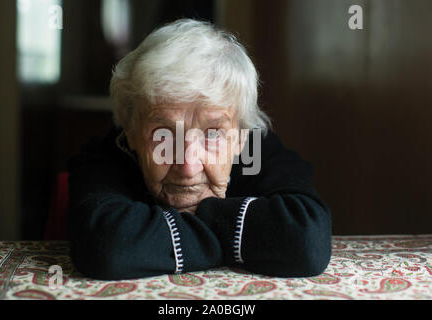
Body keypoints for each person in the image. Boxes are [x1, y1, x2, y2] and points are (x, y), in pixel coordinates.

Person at [67, 19, 332, 280]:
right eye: (164, 135)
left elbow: (307, 239)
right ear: (131, 132)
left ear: (242, 138)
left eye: (213, 134)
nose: (188, 166)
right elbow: (108, 247)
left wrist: (161, 236)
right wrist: (248, 234)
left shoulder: (258, 152)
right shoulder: (108, 156)